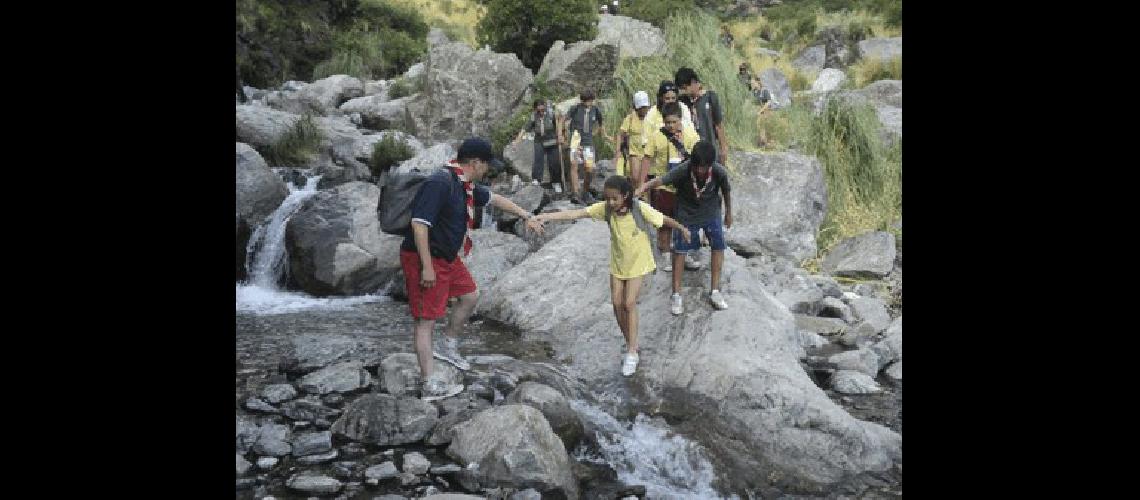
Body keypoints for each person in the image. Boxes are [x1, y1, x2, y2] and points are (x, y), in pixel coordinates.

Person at [400, 137, 546, 401]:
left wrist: (527, 216)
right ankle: (429, 384)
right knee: (426, 321)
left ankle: (448, 345)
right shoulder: (440, 183)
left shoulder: (464, 185)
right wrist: (426, 268)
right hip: (426, 258)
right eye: (487, 165)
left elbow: (496, 200)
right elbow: (419, 225)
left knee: (469, 296)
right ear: (475, 163)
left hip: (447, 257)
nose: (488, 170)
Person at [536, 175, 691, 376]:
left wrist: (681, 228)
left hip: (638, 263)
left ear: (625, 196)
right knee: (617, 304)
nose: (610, 202)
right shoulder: (606, 210)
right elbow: (577, 213)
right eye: (607, 198)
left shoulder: (639, 209)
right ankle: (631, 343)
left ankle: (633, 352)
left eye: (614, 198)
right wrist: (546, 217)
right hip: (618, 264)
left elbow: (662, 220)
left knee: (628, 303)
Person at [635, 141, 733, 315]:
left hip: (711, 212)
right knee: (680, 250)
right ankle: (676, 294)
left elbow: (726, 191)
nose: (700, 171)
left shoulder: (719, 172)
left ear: (711, 164)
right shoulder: (684, 169)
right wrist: (643, 187)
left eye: (704, 168)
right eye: (697, 167)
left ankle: (715, 290)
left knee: (718, 246)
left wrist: (728, 213)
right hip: (686, 214)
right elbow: (661, 180)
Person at [640, 102, 700, 273]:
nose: (671, 126)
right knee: (664, 222)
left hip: (684, 187)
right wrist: (643, 183)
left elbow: (698, 156)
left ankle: (684, 253)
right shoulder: (656, 136)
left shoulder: (690, 135)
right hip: (663, 187)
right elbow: (647, 158)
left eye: (674, 122)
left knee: (685, 221)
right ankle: (666, 254)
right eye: (668, 122)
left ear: (680, 120)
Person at [564, 88, 612, 205]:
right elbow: (563, 120)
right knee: (574, 165)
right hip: (575, 140)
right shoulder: (575, 108)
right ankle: (575, 193)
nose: (587, 104)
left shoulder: (595, 110)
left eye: (589, 101)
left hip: (588, 142)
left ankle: (585, 191)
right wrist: (562, 135)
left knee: (590, 169)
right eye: (585, 101)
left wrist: (603, 134)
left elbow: (601, 123)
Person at [675, 67, 729, 168]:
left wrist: (723, 148)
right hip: (691, 152)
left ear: (693, 82)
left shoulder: (710, 97)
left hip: (710, 149)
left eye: (685, 88)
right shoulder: (682, 102)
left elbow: (718, 125)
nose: (684, 92)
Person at [513, 98, 564, 192]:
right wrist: (517, 140)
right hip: (539, 140)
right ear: (535, 109)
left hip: (552, 139)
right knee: (538, 160)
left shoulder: (551, 114)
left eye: (542, 110)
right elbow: (525, 128)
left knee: (554, 162)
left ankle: (556, 182)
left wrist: (560, 135)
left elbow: (560, 121)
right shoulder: (533, 116)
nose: (541, 112)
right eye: (539, 110)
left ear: (545, 107)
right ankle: (536, 180)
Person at [616, 90, 652, 192]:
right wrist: (618, 151)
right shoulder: (630, 118)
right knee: (635, 178)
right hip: (635, 152)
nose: (644, 110)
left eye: (645, 107)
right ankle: (635, 197)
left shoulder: (651, 117)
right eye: (641, 108)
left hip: (648, 153)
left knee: (646, 178)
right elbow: (620, 134)